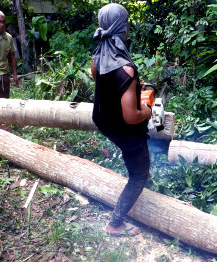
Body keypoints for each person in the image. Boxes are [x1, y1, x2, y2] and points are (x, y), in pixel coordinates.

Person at [90, 3, 151, 237]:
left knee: (135, 165)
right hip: (124, 128)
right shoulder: (126, 68)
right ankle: (115, 223)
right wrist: (146, 110)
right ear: (121, 26)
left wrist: (133, 89)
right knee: (139, 175)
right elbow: (131, 116)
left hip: (104, 120)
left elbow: (106, 85)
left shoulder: (97, 57)